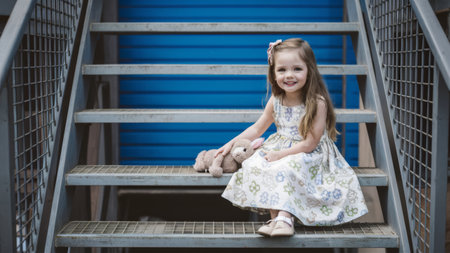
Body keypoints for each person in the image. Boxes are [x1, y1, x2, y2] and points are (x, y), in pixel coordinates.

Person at [215, 38, 368, 237]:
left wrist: (281, 154)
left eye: (297, 69)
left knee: (288, 166)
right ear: (273, 72)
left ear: (309, 70)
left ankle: (286, 218)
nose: (289, 75)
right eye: (282, 70)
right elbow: (257, 128)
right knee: (257, 164)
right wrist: (230, 144)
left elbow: (310, 143)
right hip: (281, 146)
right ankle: (275, 217)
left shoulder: (316, 102)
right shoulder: (276, 100)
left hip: (308, 152)